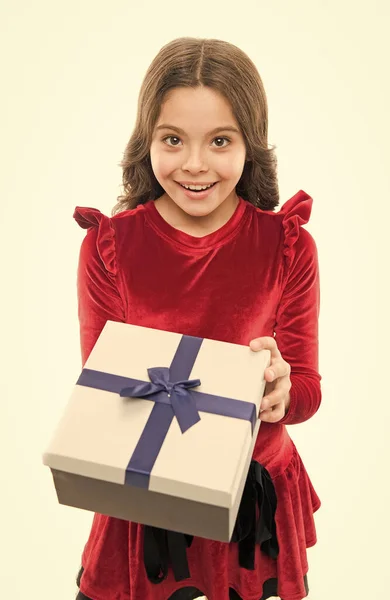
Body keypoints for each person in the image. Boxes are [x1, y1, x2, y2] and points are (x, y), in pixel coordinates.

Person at [72, 37, 322, 600]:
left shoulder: (287, 246)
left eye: (220, 141)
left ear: (249, 146)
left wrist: (282, 392)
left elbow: (306, 387)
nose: (195, 164)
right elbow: (102, 388)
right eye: (173, 139)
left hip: (250, 501)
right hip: (147, 499)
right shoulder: (109, 247)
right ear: (147, 142)